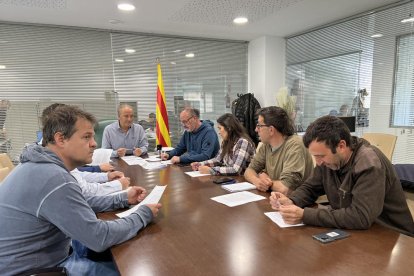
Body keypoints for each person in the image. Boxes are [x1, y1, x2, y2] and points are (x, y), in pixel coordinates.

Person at [0, 105, 162, 275]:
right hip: (35, 270)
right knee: (126, 269)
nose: (94, 144)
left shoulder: (38, 166)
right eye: (86, 137)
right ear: (60, 139)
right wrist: (143, 214)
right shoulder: (53, 178)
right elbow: (99, 237)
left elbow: (78, 202)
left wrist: (121, 199)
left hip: (36, 260)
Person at [270, 115, 414, 236]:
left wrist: (304, 215)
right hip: (358, 232)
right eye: (315, 156)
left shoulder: (369, 163)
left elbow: (360, 216)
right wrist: (292, 201)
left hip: (392, 236)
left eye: (321, 156)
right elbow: (310, 188)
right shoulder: (328, 161)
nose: (318, 162)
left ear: (341, 146)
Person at [244, 106, 314, 194]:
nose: (256, 129)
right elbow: (249, 171)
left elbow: (286, 188)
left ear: (271, 130)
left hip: (300, 203)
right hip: (277, 198)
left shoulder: (295, 145)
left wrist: (267, 181)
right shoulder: (266, 145)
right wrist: (258, 181)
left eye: (259, 126)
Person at [191, 113, 255, 175]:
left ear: (229, 128)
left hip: (243, 181)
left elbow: (236, 170)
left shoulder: (243, 142)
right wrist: (201, 164)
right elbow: (218, 160)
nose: (219, 132)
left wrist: (211, 170)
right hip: (232, 180)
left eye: (220, 128)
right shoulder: (226, 141)